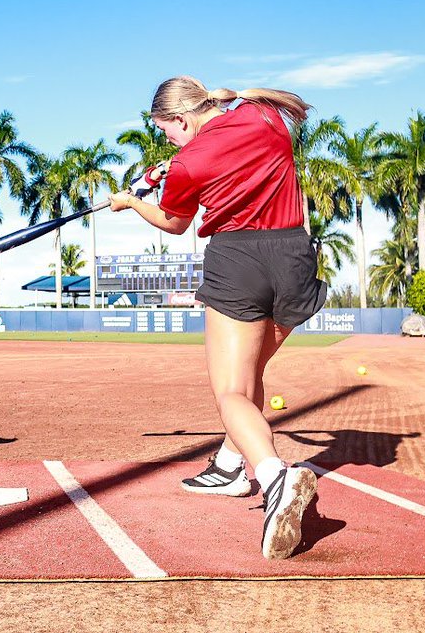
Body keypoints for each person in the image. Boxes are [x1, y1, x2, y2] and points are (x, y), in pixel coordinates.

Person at [109, 75, 327, 560]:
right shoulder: (263, 115)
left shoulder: (188, 162)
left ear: (181, 119)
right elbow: (230, 110)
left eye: (166, 129)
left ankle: (274, 478)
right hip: (294, 255)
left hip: (238, 260)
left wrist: (131, 202)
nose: (166, 138)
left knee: (231, 390)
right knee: (253, 374)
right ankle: (230, 466)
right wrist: (178, 161)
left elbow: (175, 222)